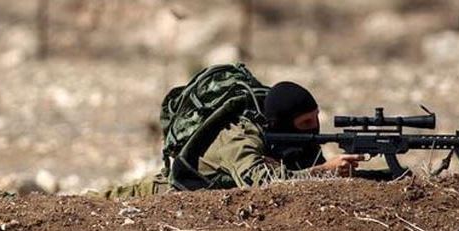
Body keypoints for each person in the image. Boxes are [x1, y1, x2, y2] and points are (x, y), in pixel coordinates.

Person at [99, 81, 366, 198]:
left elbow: (304, 174)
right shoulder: (238, 135)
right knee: (100, 201)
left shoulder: (288, 137)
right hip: (163, 193)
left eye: (316, 119)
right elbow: (263, 182)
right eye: (306, 123)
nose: (314, 129)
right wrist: (325, 170)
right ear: (283, 122)